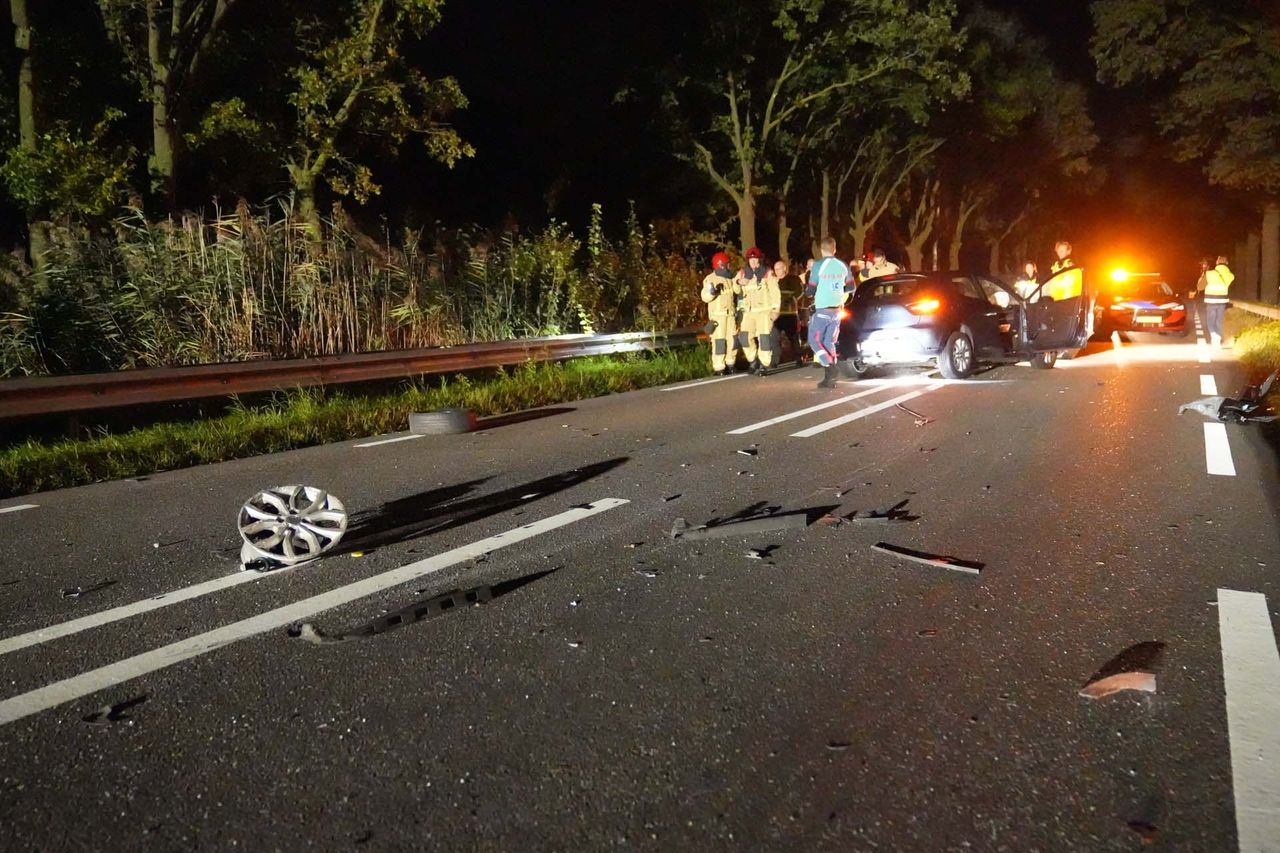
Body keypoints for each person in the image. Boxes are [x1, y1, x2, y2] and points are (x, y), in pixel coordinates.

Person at [805, 236, 855, 389]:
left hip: (822, 309)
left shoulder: (819, 265)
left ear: (821, 250)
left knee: (814, 340)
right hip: (837, 310)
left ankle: (831, 368)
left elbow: (811, 289)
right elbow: (851, 287)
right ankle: (829, 379)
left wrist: (808, 292)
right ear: (834, 249)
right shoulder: (842, 265)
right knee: (829, 342)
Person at [735, 247, 782, 374]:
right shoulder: (742, 273)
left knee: (764, 338)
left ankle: (764, 365)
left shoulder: (767, 273)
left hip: (764, 311)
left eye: (755, 260)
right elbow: (735, 287)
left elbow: (775, 292)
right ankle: (753, 360)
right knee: (744, 337)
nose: (753, 262)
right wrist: (739, 282)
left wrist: (775, 310)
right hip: (748, 312)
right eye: (751, 260)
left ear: (759, 260)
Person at [701, 251, 740, 374]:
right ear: (721, 265)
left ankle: (731, 363)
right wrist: (712, 292)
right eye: (727, 264)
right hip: (718, 318)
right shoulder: (710, 279)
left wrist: (738, 280)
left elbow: (738, 291)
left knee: (733, 340)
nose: (729, 266)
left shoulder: (730, 278)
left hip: (730, 316)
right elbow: (705, 297)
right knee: (719, 342)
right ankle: (719, 367)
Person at [773, 260, 805, 363]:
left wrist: (791, 300)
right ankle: (775, 360)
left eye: (779, 268)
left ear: (785, 268)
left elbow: (800, 293)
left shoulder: (793, 279)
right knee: (774, 337)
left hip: (789, 314)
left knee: (793, 337)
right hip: (776, 315)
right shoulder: (773, 281)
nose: (777, 271)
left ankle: (799, 358)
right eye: (775, 269)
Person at [1201, 255, 1235, 347]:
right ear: (1227, 263)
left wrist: (1203, 273)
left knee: (1211, 320)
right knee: (1219, 321)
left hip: (1211, 300)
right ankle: (1218, 339)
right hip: (1222, 301)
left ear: (1217, 263)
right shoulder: (1231, 276)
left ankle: (1214, 336)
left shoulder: (1210, 273)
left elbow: (1200, 286)